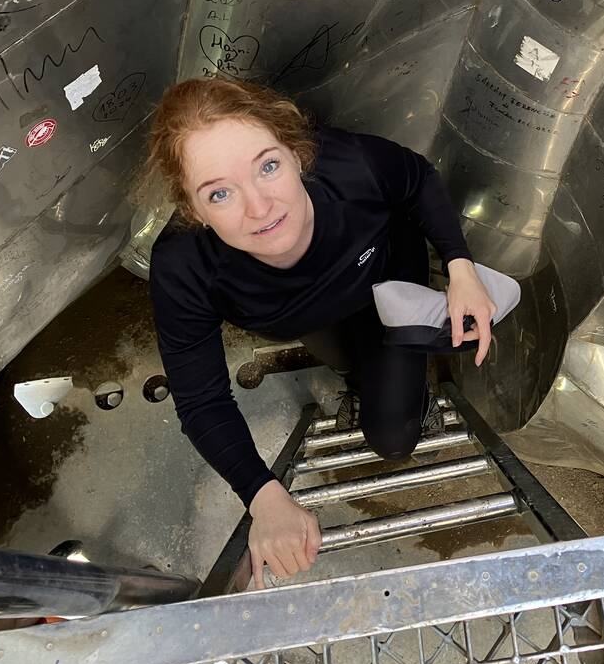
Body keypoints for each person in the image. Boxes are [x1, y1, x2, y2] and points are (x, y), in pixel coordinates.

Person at [135, 77, 498, 588]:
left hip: (388, 283)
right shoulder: (184, 267)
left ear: (297, 153)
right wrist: (263, 495)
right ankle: (356, 375)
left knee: (395, 438)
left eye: (268, 166)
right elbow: (200, 400)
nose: (259, 207)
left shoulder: (349, 167)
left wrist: (460, 265)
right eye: (220, 193)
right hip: (305, 319)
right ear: (194, 211)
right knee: (349, 364)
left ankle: (406, 386)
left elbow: (416, 178)